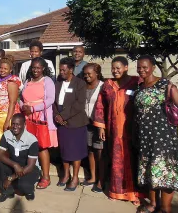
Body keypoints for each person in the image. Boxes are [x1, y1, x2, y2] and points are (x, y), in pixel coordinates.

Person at [134, 55, 178, 213]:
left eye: (145, 67)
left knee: (165, 171)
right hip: (145, 138)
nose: (142, 70)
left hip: (164, 137)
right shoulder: (140, 87)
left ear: (153, 67)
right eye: (139, 67)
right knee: (150, 170)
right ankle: (153, 204)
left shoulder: (165, 85)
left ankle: (166, 208)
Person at [93, 56, 140, 204]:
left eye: (118, 67)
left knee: (134, 161)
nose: (115, 71)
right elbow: (100, 106)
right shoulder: (108, 84)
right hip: (114, 131)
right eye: (113, 68)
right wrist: (101, 126)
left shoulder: (136, 83)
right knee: (116, 162)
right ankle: (117, 192)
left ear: (126, 67)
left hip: (131, 131)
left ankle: (134, 195)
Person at [19, 57, 57, 189]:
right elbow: (21, 97)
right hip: (27, 117)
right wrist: (23, 106)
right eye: (33, 67)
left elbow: (51, 99)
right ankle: (30, 173)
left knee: (41, 147)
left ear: (43, 68)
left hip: (40, 118)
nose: (35, 70)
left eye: (38, 67)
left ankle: (46, 177)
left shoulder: (47, 81)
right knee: (28, 146)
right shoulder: (28, 81)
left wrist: (33, 109)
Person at [52, 57, 89, 191]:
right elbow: (53, 102)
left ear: (71, 70)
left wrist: (63, 116)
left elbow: (79, 104)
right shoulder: (58, 83)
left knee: (75, 151)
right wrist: (56, 115)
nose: (61, 72)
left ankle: (75, 177)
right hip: (61, 122)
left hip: (75, 122)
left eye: (64, 70)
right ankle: (66, 174)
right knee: (64, 150)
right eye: (60, 69)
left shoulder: (80, 83)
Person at [0, 113, 40, 202]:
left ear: (24, 125)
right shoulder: (7, 134)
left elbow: (30, 166)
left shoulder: (32, 140)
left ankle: (29, 190)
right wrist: (14, 165)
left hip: (29, 169)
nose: (15, 127)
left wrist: (11, 178)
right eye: (13, 124)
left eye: (18, 124)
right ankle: (7, 191)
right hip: (14, 166)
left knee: (22, 187)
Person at [0, 55, 21, 159]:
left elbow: (12, 102)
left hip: (6, 115)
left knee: (7, 142)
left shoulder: (11, 82)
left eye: (5, 68)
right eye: (1, 68)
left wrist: (8, 120)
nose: (2, 70)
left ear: (10, 70)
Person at [81, 63, 105, 191]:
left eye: (89, 73)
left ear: (97, 73)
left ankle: (101, 180)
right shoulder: (83, 86)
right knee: (90, 150)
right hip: (87, 124)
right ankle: (93, 177)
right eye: (85, 74)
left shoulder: (103, 87)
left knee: (100, 152)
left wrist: (102, 124)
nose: (87, 76)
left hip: (99, 125)